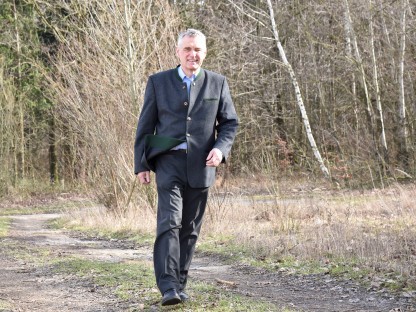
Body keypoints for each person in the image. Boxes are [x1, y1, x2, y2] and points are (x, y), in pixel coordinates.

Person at [134, 28, 238, 306]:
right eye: (188, 49)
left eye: (198, 50)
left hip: (202, 165)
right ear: (178, 52)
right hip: (168, 161)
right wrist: (141, 163)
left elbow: (229, 123)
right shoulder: (158, 82)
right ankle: (168, 286)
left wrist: (220, 149)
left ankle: (180, 283)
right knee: (169, 222)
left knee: (189, 227)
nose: (193, 54)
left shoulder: (218, 83)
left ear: (205, 52)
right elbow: (145, 125)